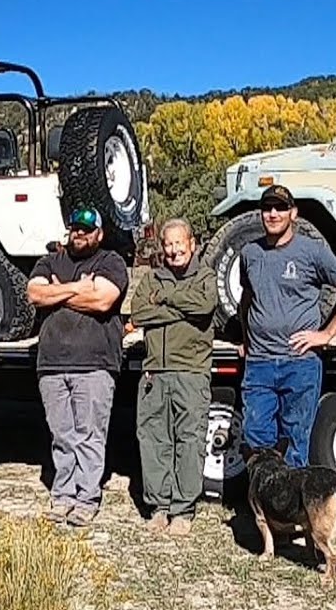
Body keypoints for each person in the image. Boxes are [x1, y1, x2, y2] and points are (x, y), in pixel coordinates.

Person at [238, 184, 336, 468]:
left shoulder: (312, 252)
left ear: (293, 213)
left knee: (295, 442)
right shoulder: (250, 253)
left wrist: (327, 334)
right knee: (256, 437)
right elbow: (246, 300)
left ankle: (293, 507)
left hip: (300, 363)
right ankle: (265, 505)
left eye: (280, 208)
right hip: (259, 362)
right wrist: (246, 339)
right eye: (267, 208)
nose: (272, 214)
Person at [27, 206, 130, 527]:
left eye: (87, 229)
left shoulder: (110, 262)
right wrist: (77, 288)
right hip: (52, 364)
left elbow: (102, 301)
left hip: (95, 363)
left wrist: (57, 290)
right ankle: (63, 496)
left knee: (89, 434)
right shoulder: (49, 262)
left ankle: (86, 498)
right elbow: (34, 294)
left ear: (100, 234)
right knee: (62, 434)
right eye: (75, 228)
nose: (80, 234)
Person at [128, 218, 217, 537]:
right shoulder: (152, 278)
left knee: (189, 440)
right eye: (168, 244)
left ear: (191, 244)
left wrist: (165, 299)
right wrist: (182, 307)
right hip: (154, 371)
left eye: (180, 243)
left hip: (191, 370)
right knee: (153, 439)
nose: (174, 249)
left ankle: (183, 509)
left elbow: (206, 305)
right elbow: (139, 314)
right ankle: (159, 506)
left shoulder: (205, 276)